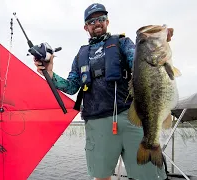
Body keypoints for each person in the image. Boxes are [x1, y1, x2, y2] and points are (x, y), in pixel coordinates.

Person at [34, 3, 168, 180]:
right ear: (85, 27)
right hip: (96, 122)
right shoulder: (80, 55)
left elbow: (142, 61)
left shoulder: (123, 43)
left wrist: (153, 42)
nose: (97, 23)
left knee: (147, 175)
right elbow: (72, 86)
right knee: (101, 175)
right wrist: (50, 73)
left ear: (107, 21)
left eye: (101, 19)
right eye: (92, 20)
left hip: (131, 117)